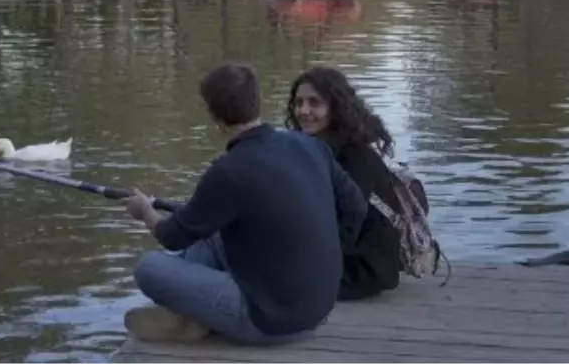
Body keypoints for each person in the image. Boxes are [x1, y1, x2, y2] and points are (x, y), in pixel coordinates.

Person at [122, 63, 368, 345]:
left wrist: (145, 212)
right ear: (257, 102)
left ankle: (193, 317)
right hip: (320, 307)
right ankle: (188, 315)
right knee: (209, 236)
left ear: (214, 116)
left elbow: (170, 236)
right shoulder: (308, 145)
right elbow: (356, 207)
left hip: (271, 322)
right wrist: (327, 252)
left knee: (149, 268)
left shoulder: (229, 170)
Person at [285, 66, 402, 301]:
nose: (303, 111)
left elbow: (345, 225)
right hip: (337, 258)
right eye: (299, 103)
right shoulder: (317, 148)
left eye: (314, 103)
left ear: (334, 108)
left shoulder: (355, 156)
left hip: (361, 268)